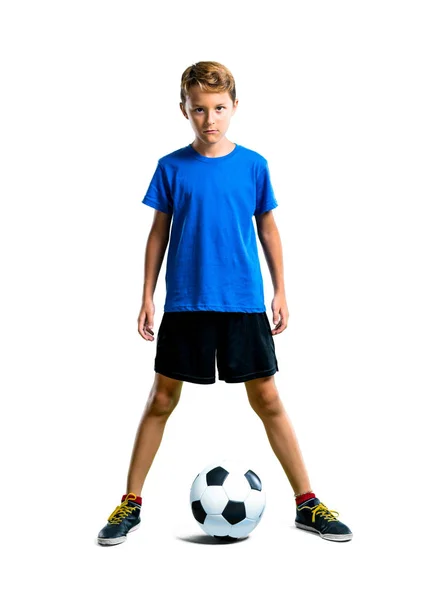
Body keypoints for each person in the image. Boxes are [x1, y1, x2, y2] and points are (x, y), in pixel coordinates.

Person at [97, 61, 353, 545]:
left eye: (218, 108)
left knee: (268, 398)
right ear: (184, 111)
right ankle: (129, 503)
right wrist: (147, 296)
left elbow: (268, 229)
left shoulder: (254, 165)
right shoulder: (170, 167)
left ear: (235, 107)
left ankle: (307, 503)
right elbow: (158, 234)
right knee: (161, 399)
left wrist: (280, 290)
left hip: (241, 302)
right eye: (198, 109)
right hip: (187, 304)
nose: (209, 119)